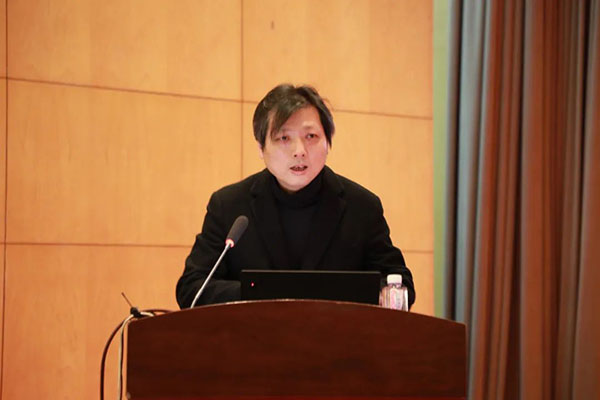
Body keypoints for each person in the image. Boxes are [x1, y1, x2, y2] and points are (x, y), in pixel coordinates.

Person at [176, 84, 415, 308]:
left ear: (328, 142)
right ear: (260, 148)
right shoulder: (229, 206)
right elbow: (192, 288)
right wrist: (262, 295)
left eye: (311, 137)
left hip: (338, 337)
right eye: (284, 138)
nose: (299, 151)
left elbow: (400, 284)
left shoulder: (362, 207)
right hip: (253, 337)